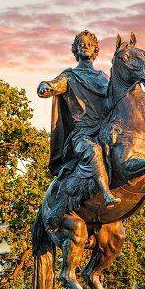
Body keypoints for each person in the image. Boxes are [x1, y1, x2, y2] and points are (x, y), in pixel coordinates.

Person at [37, 30, 117, 212]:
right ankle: (105, 192)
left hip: (103, 131)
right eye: (81, 44)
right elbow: (53, 85)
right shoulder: (70, 76)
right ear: (75, 50)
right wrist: (45, 86)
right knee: (93, 151)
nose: (85, 46)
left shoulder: (103, 77)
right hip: (82, 135)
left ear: (96, 50)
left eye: (89, 44)